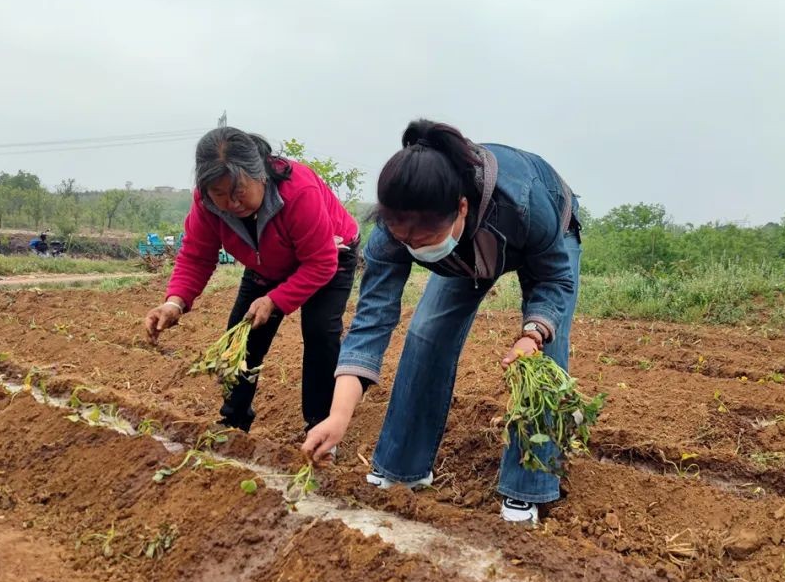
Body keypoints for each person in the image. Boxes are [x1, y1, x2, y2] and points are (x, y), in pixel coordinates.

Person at [301, 119, 582, 524]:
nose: (415, 247)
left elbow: (555, 278)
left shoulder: (524, 203)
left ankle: (529, 486)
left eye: (425, 239)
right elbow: (371, 321)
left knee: (544, 357)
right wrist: (339, 416)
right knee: (426, 333)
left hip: (548, 232)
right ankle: (402, 469)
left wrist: (532, 334)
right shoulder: (393, 234)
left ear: (461, 209)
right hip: (468, 254)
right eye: (406, 241)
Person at [144, 127, 360, 438]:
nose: (231, 203)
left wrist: (275, 300)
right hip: (267, 264)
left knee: (319, 334)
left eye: (238, 191)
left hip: (329, 255)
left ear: (260, 175)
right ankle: (234, 423)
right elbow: (196, 255)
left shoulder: (298, 191)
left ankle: (321, 429)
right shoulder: (207, 204)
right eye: (219, 194)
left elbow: (321, 262)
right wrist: (174, 301)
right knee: (240, 338)